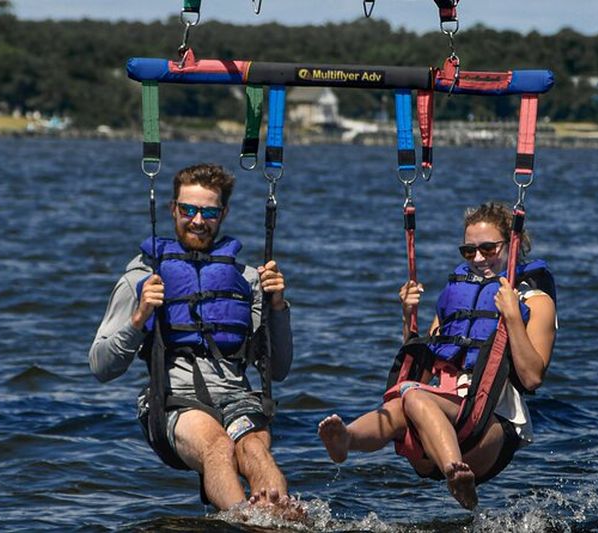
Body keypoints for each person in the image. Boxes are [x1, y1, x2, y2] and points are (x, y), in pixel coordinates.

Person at [318, 201, 556, 510]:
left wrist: (512, 316)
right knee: (402, 402)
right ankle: (346, 439)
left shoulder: (535, 301)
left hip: (492, 424)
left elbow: (532, 377)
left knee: (413, 396)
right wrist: (408, 316)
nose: (478, 258)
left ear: (512, 244)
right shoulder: (459, 295)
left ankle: (455, 472)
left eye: (488, 249)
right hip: (442, 420)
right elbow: (425, 365)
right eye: (469, 251)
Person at [89, 163, 295, 512]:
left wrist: (278, 308)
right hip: (174, 402)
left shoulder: (248, 280)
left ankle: (280, 519)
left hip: (238, 399)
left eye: (209, 212)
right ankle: (244, 520)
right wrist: (138, 319)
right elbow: (101, 367)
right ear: (173, 209)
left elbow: (279, 370)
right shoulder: (141, 278)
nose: (198, 220)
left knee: (255, 450)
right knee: (217, 446)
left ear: (223, 213)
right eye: (188, 210)